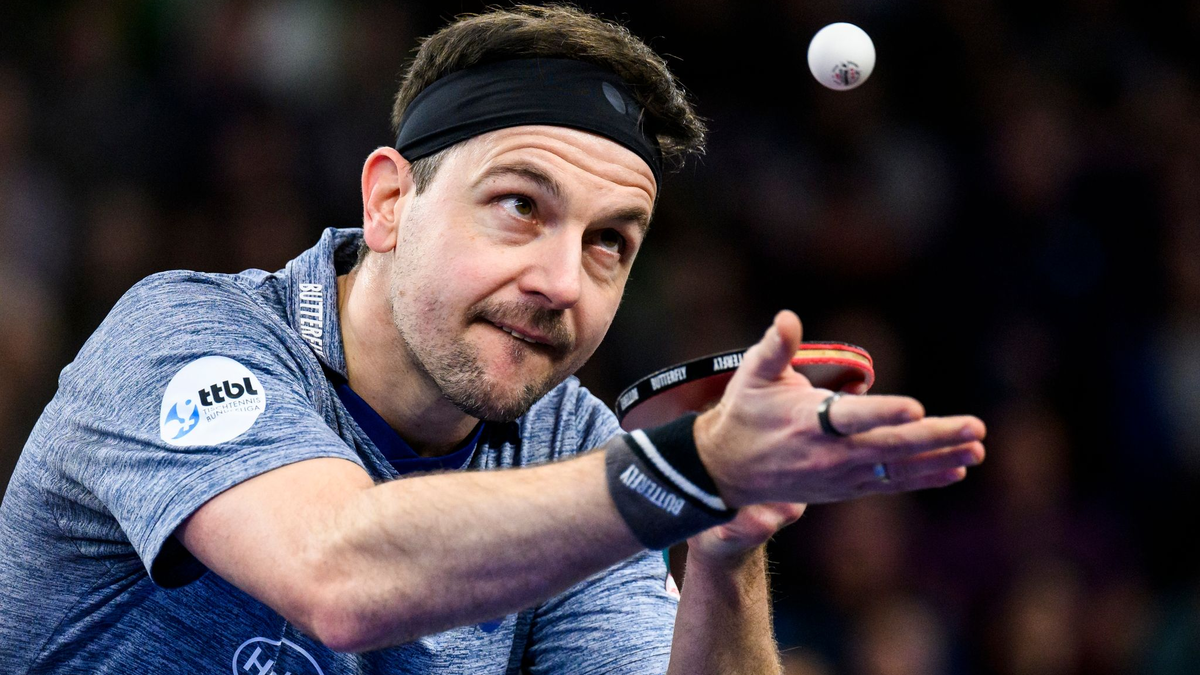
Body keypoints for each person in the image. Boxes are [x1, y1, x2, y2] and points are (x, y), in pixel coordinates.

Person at [0, 5, 986, 673]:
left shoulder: (577, 449)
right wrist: (686, 469)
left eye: (610, 243)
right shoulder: (184, 337)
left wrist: (727, 546)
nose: (563, 282)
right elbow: (337, 574)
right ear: (390, 201)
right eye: (519, 206)